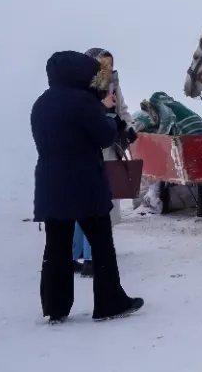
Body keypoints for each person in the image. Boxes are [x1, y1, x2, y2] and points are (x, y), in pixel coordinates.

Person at [32, 50, 144, 323]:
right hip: (83, 182)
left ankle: (55, 307)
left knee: (56, 247)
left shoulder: (42, 103)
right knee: (102, 243)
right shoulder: (83, 102)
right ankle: (109, 302)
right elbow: (104, 136)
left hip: (50, 183)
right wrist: (106, 111)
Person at [72, 48, 138, 277]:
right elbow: (83, 117)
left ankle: (87, 252)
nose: (106, 69)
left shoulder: (114, 85)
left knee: (101, 202)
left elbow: (123, 110)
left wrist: (128, 128)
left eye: (109, 64)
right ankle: (86, 255)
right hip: (88, 151)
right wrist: (104, 111)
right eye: (102, 64)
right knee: (90, 204)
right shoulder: (81, 88)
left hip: (109, 149)